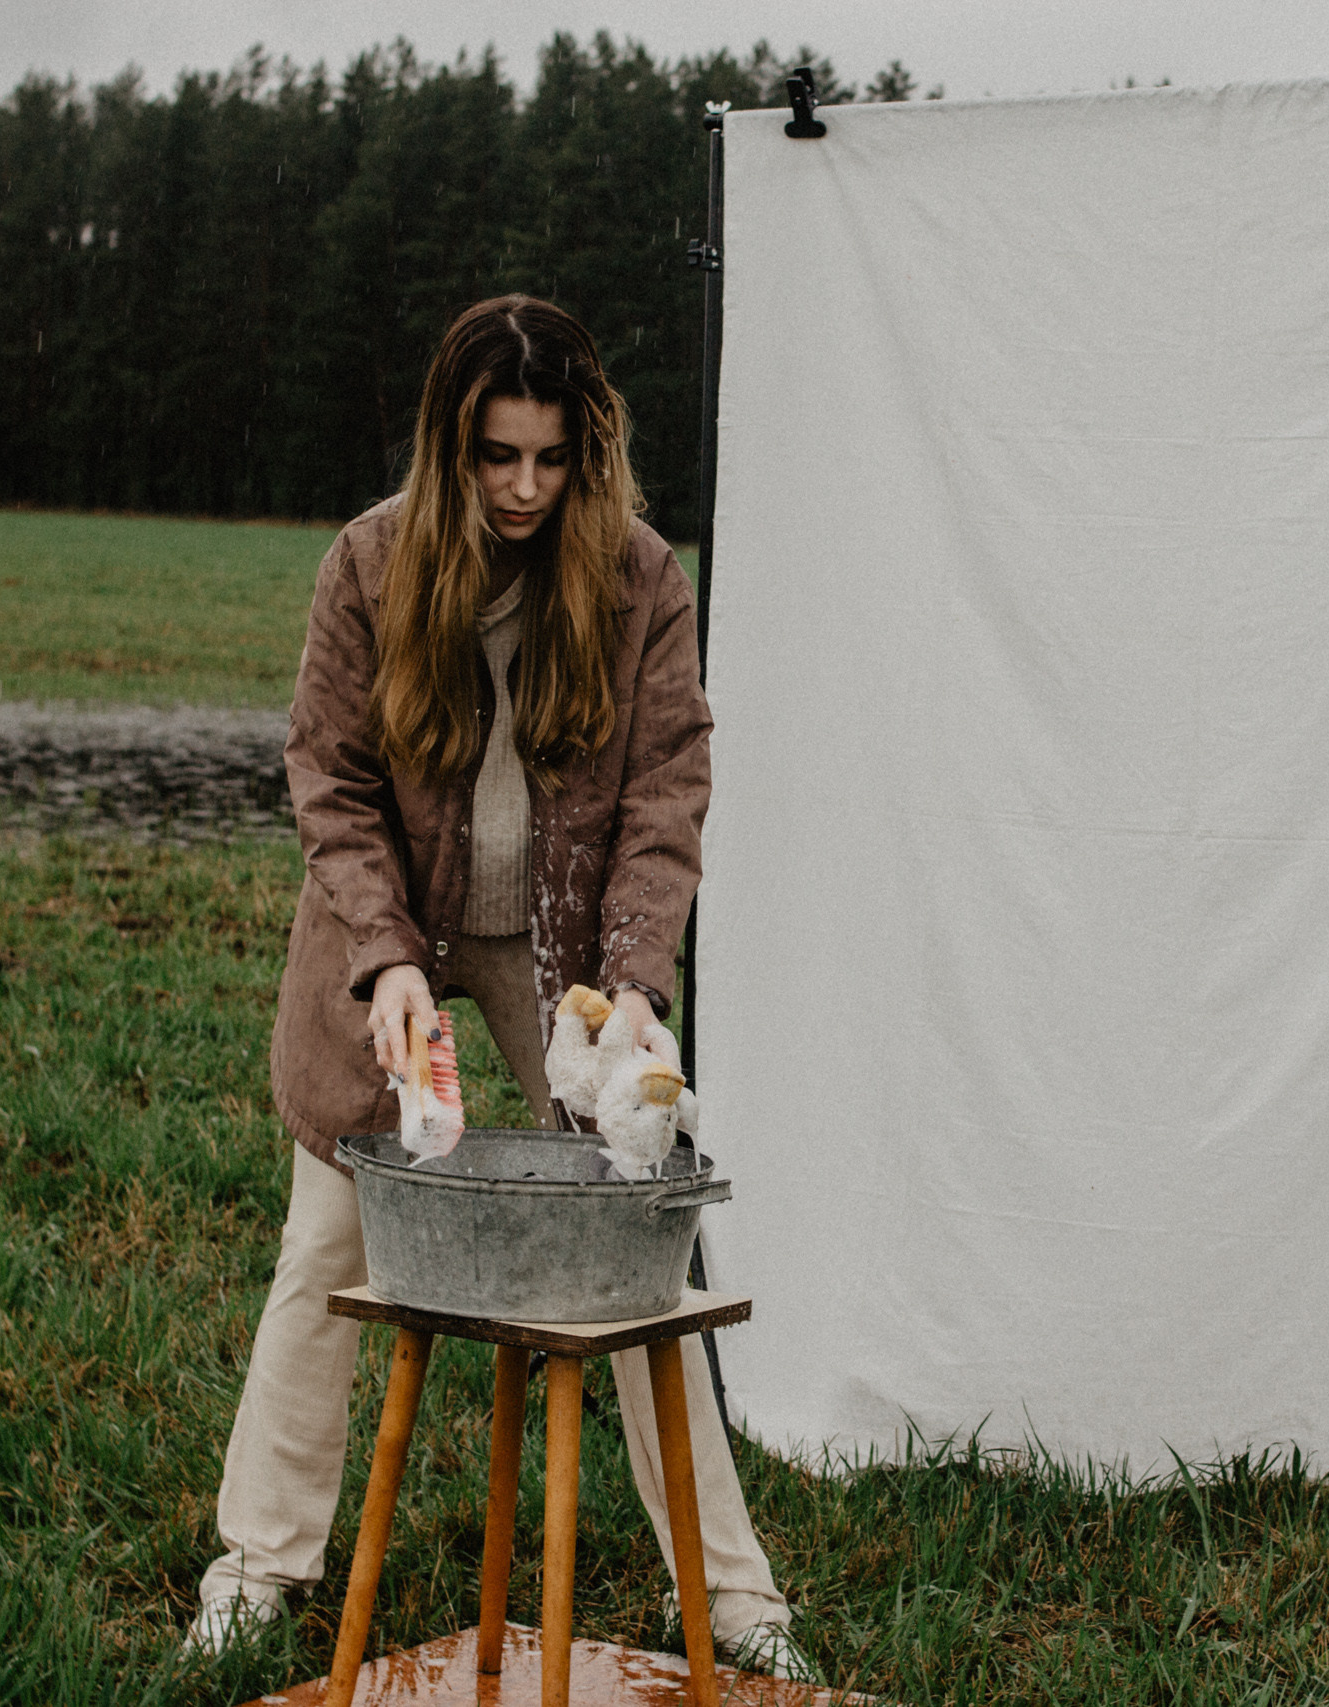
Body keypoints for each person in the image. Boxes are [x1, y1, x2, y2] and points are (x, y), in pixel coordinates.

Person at [188, 294, 811, 1682]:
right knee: (329, 1243)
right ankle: (260, 1566)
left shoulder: (644, 579)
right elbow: (330, 777)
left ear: (587, 454)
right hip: (394, 934)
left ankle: (739, 1597)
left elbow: (666, 790)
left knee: (643, 1255)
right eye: (495, 458)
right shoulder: (370, 563)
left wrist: (637, 984)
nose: (524, 489)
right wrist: (389, 957)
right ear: (449, 445)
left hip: (566, 952)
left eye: (549, 460)